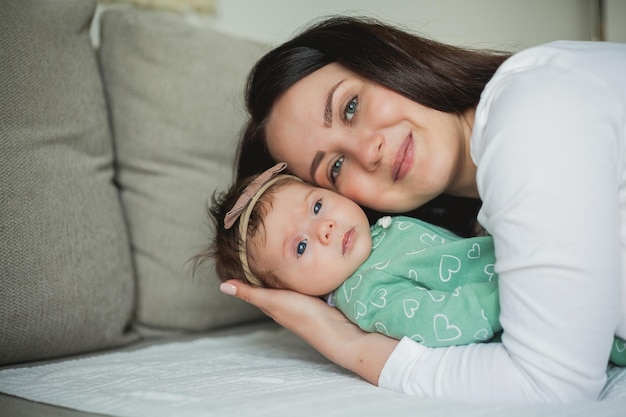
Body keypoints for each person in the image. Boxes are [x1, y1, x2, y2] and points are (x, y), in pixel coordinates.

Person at [220, 16, 626, 403]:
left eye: (350, 106)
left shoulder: (527, 118)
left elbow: (552, 387)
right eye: (336, 167)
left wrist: (347, 342)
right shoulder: (483, 214)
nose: (368, 150)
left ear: (384, 58)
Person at [196, 162, 503, 348]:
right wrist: (509, 296)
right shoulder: (365, 293)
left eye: (317, 206)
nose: (325, 228)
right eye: (300, 247)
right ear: (292, 293)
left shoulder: (380, 229)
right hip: (514, 299)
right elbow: (437, 321)